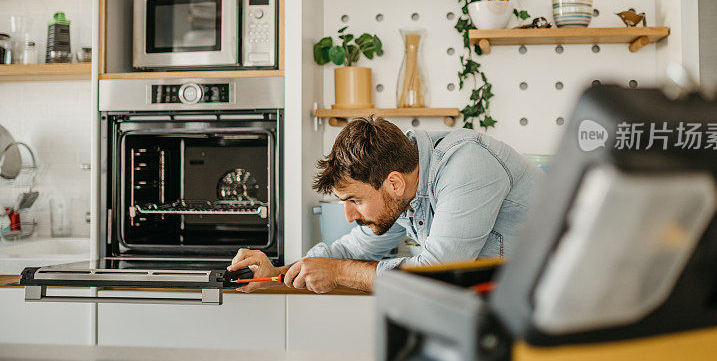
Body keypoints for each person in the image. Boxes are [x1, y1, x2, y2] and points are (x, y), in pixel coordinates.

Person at [228, 116, 544, 293]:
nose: (350, 216)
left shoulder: (468, 165)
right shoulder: (403, 189)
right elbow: (348, 251)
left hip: (563, 302)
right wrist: (274, 275)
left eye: (355, 200)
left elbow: (437, 275)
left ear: (393, 183)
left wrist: (337, 273)